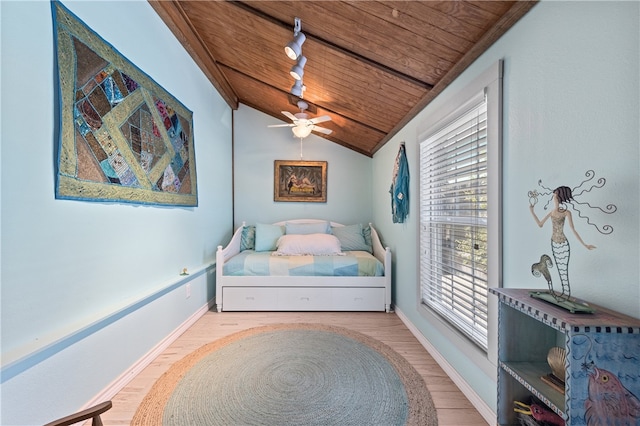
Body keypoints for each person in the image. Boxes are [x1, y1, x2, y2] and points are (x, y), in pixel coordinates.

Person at [529, 185, 595, 300]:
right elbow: (540, 224)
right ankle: (561, 295)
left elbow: (573, 229)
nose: (553, 197)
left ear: (559, 197)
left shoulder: (566, 212)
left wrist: (584, 244)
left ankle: (565, 293)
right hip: (554, 243)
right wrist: (532, 211)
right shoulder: (552, 212)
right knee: (560, 270)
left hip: (563, 244)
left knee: (564, 272)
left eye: (555, 195)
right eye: (554, 195)